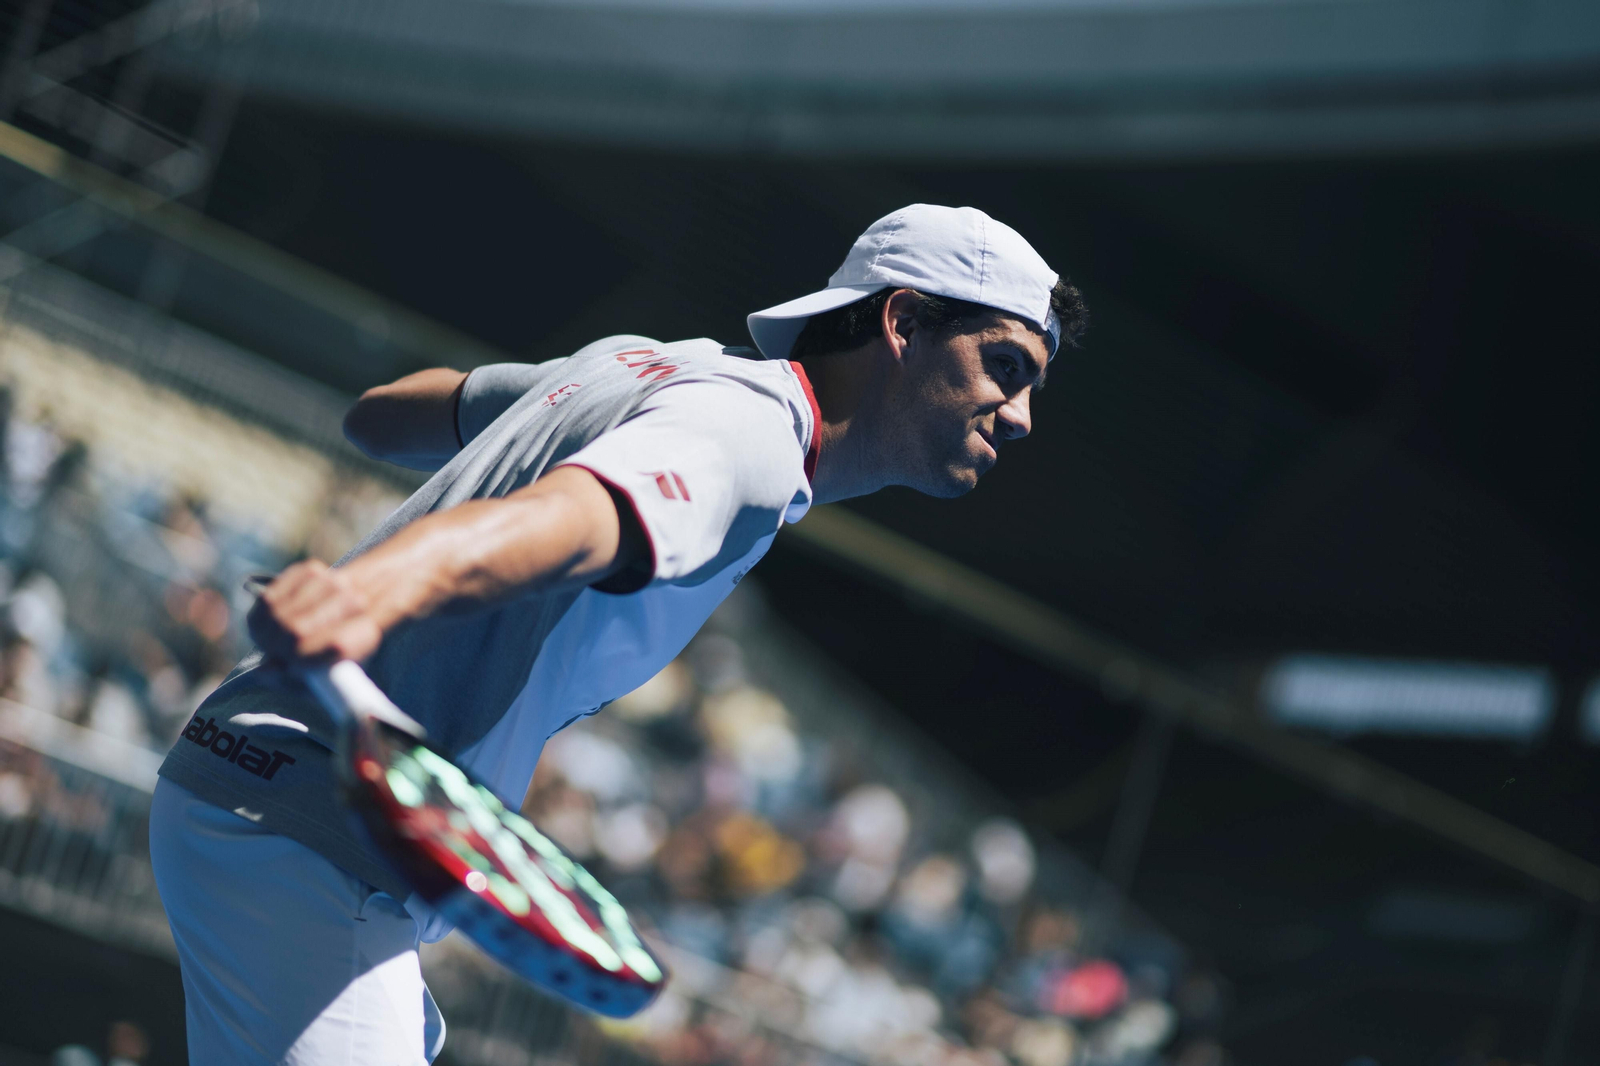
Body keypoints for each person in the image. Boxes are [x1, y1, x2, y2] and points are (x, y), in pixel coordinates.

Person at [148, 203, 1088, 1064]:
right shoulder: (751, 437)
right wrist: (367, 595)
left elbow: (383, 416)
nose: (1022, 417)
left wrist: (524, 430)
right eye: (1005, 366)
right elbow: (571, 518)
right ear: (904, 323)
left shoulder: (644, 365)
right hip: (315, 837)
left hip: (258, 788)